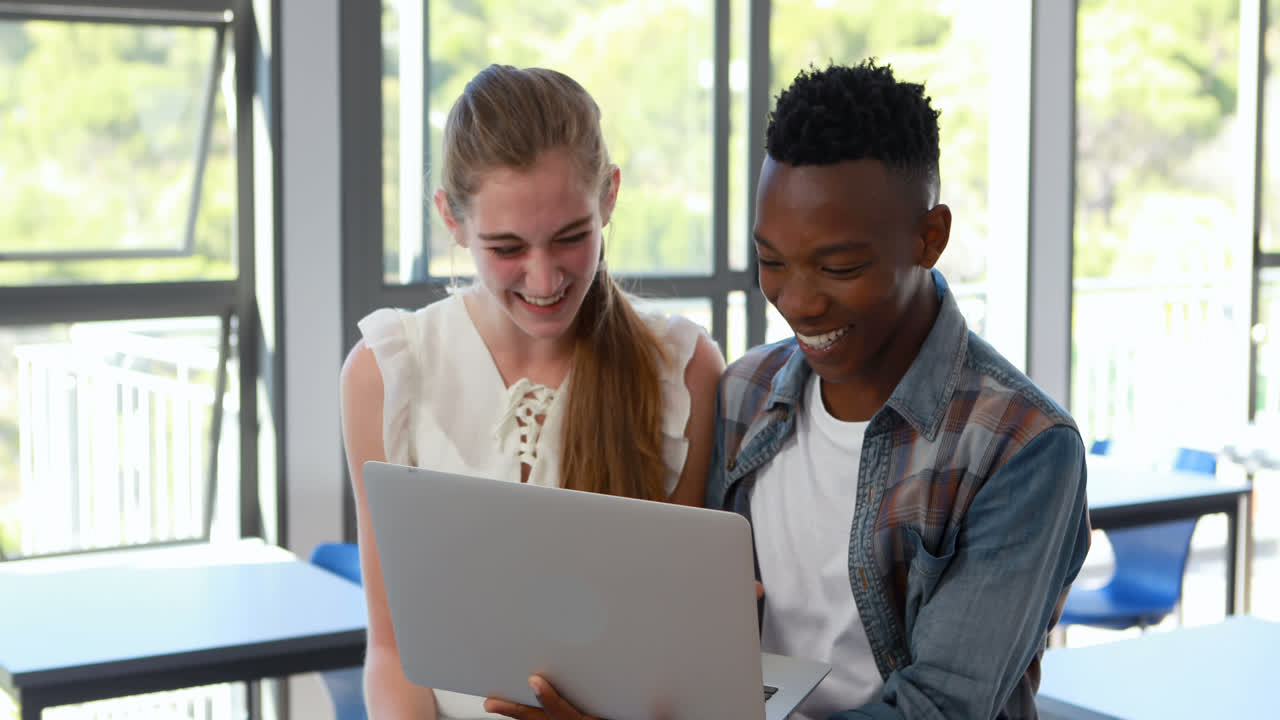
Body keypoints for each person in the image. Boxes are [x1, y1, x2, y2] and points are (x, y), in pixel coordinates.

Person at [488, 60, 1092, 720]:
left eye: (839, 267)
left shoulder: (1021, 448)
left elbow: (938, 709)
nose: (798, 302)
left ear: (930, 238)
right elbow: (689, 637)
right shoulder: (744, 393)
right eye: (771, 262)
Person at [340, 64, 725, 720]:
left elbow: (673, 668)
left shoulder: (683, 372)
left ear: (609, 198)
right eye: (507, 247)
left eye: (572, 238)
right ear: (451, 221)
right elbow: (392, 647)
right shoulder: (386, 373)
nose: (544, 279)